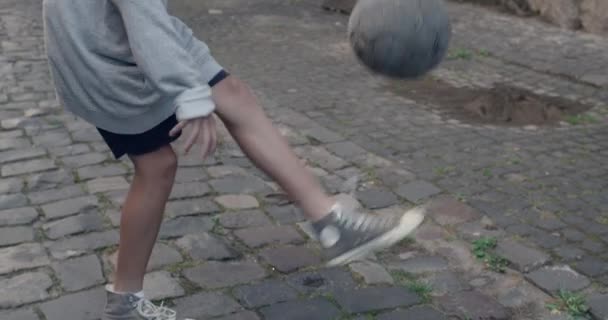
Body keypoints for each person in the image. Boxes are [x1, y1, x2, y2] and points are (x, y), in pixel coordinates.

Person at [42, 1, 425, 319]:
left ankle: (328, 220)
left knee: (232, 96)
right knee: (157, 166)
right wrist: (189, 95)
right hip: (110, 52)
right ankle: (125, 302)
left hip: (99, 36)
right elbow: (145, 20)